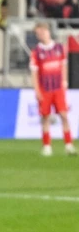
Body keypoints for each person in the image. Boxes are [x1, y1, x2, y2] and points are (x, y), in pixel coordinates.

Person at [30, 22, 74, 157]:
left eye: (42, 31)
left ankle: (68, 145)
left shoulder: (59, 48)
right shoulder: (36, 52)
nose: (41, 34)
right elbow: (34, 72)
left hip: (58, 88)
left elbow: (64, 65)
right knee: (45, 117)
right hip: (45, 89)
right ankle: (47, 146)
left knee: (64, 115)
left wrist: (65, 81)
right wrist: (37, 90)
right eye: (38, 33)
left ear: (48, 31)